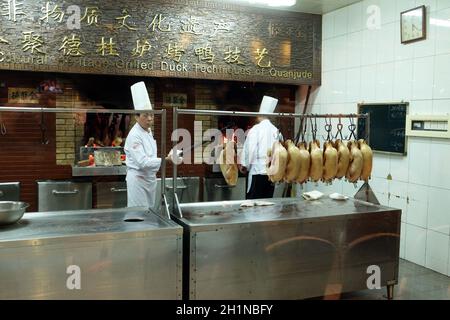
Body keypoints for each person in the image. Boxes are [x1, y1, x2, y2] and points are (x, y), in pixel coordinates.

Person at [125, 81, 182, 208]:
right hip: (138, 181)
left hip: (150, 180)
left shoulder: (148, 131)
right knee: (139, 216)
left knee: (150, 214)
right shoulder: (134, 135)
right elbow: (143, 162)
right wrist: (166, 160)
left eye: (151, 115)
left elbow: (150, 156)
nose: (150, 119)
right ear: (137, 117)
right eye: (146, 115)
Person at [239, 95, 280, 199]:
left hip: (257, 171)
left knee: (254, 203)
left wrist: (244, 165)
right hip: (272, 171)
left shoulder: (256, 129)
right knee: (267, 202)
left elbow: (250, 149)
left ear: (259, 115)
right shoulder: (276, 130)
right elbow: (280, 151)